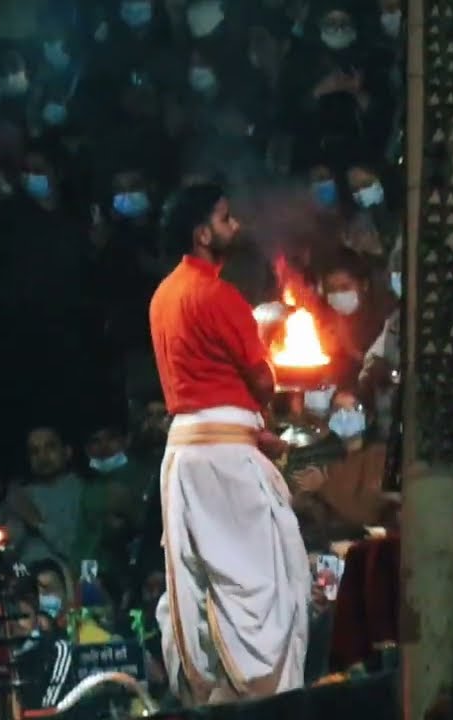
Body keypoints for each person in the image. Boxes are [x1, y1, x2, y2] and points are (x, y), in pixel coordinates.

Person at [149, 184, 309, 704]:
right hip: (224, 464)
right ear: (203, 233)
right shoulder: (218, 296)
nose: (234, 226)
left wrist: (253, 433)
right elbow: (262, 382)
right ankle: (264, 703)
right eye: (224, 219)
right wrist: (265, 347)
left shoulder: (162, 296)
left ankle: (217, 696)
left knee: (208, 589)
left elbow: (200, 389)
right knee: (264, 585)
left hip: (185, 457)